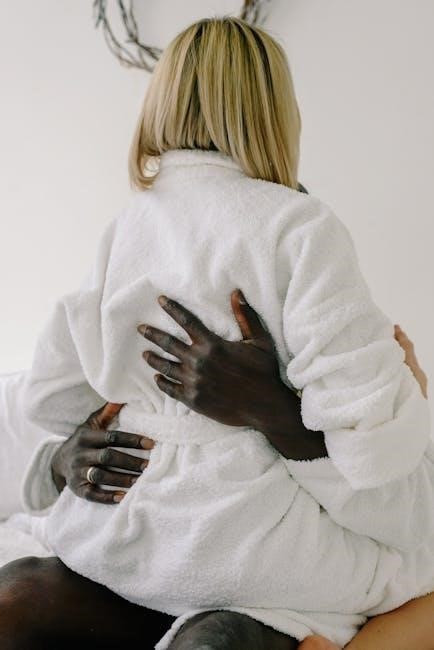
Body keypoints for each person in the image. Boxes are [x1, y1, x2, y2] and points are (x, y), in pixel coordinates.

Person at [2, 14, 433, 649]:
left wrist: (89, 440)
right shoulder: (300, 228)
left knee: (18, 597)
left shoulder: (127, 228)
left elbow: (49, 393)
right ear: (276, 111)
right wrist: (396, 401)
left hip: (127, 540)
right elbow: (375, 449)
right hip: (249, 549)